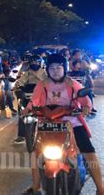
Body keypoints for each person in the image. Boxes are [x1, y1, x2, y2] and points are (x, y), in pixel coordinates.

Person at [22, 54, 103, 195]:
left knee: (88, 150)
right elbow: (33, 102)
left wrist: (86, 108)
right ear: (47, 69)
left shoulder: (73, 84)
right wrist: (28, 109)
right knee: (35, 152)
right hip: (47, 123)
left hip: (71, 122)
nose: (55, 71)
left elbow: (85, 100)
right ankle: (36, 186)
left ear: (64, 68)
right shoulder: (42, 85)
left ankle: (100, 188)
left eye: (58, 67)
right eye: (52, 68)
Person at [12, 55, 47, 144]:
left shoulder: (44, 73)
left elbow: (48, 83)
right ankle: (21, 136)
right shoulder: (27, 73)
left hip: (41, 98)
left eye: (36, 62)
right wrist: (18, 86)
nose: (34, 64)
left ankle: (47, 134)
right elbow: (20, 82)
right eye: (32, 62)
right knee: (22, 113)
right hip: (28, 97)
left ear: (40, 63)